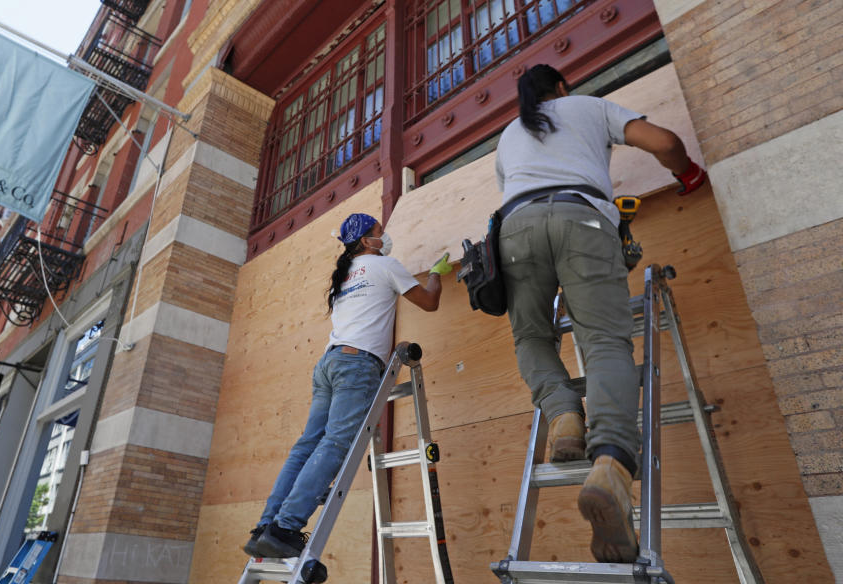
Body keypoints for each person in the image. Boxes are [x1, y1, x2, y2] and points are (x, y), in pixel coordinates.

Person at [495, 64, 706, 563]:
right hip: (583, 218)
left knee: (531, 338)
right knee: (606, 341)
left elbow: (513, 193)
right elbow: (664, 141)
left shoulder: (509, 132)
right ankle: (610, 464)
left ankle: (565, 416)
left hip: (516, 230)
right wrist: (688, 173)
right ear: (562, 87)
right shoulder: (589, 106)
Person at [244, 212, 453, 559]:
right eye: (380, 232)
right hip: (357, 365)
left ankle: (266, 527)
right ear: (366, 240)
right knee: (334, 444)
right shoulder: (384, 265)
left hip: (329, 363)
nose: (385, 236)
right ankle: (284, 528)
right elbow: (429, 302)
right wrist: (435, 274)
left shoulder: (344, 275)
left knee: (306, 446)